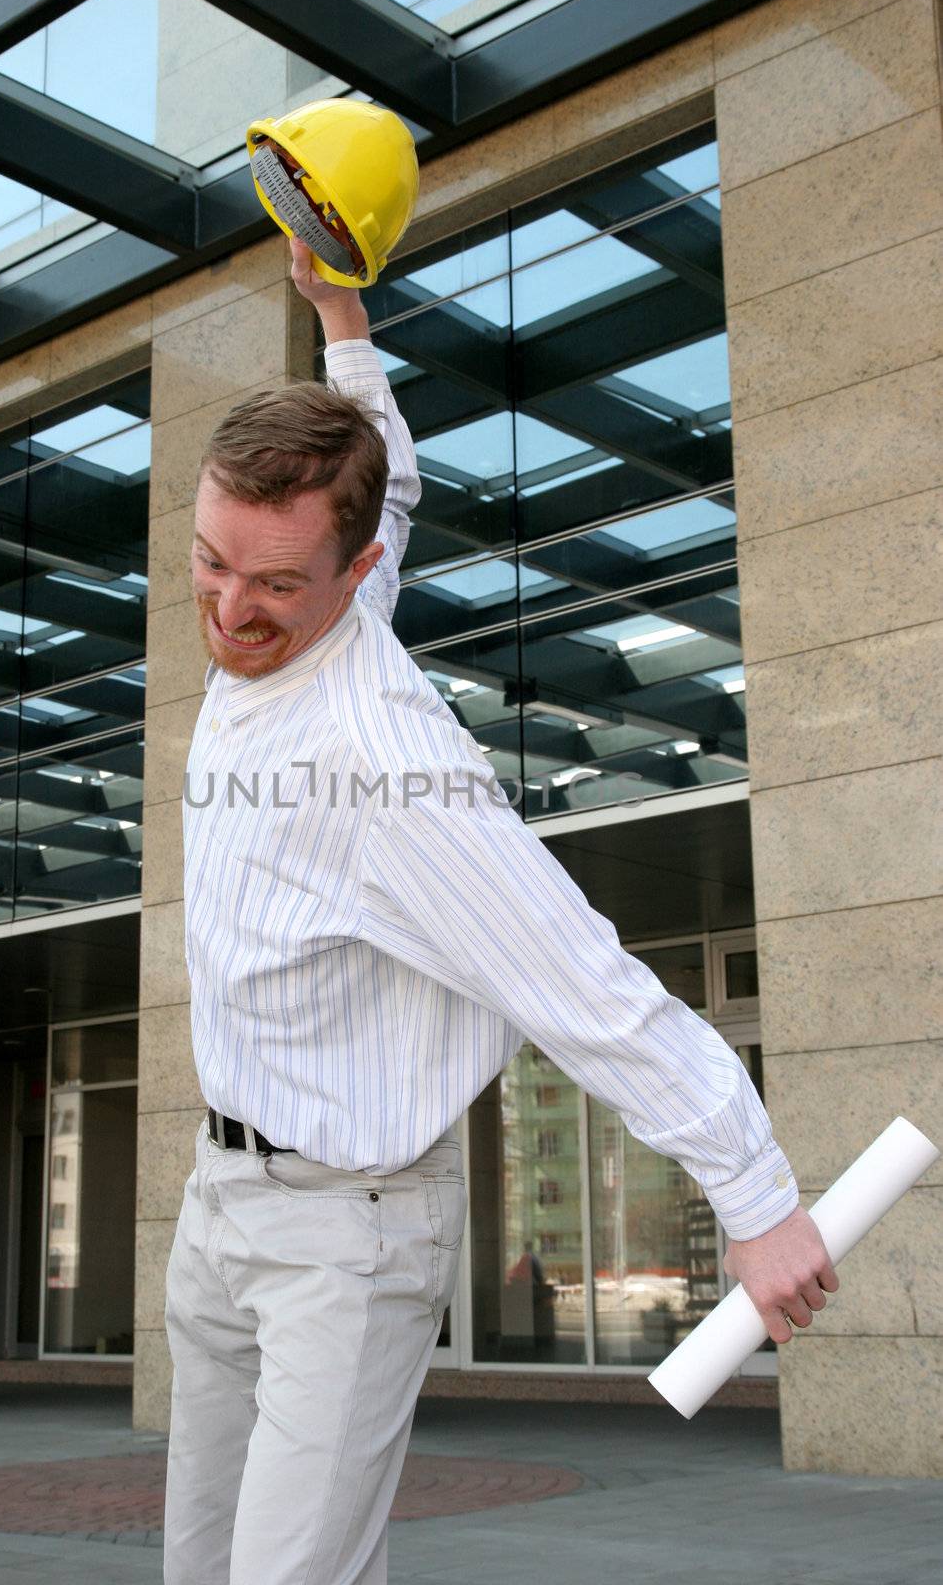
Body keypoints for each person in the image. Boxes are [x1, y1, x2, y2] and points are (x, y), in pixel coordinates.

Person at [164, 237, 838, 1585]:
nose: (233, 609)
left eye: (277, 586)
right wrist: (342, 318)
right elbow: (390, 476)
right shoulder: (333, 576)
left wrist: (756, 1199)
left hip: (341, 1240)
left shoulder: (385, 767)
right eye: (211, 561)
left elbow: (578, 982)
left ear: (351, 583)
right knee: (196, 1567)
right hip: (216, 1203)